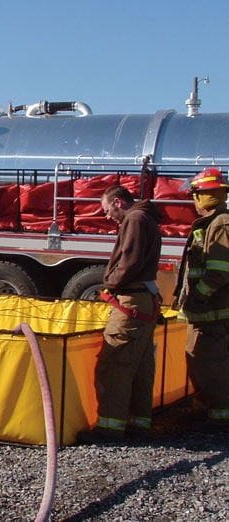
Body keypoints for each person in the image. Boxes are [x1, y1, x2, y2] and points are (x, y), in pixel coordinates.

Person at [77, 184, 162, 444]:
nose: (107, 217)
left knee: (114, 364)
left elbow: (129, 261)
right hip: (143, 301)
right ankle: (138, 424)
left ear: (117, 202)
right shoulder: (146, 217)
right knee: (140, 366)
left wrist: (110, 283)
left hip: (131, 302)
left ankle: (109, 429)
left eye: (106, 210)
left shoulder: (134, 219)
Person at [173, 167, 229, 430]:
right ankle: (204, 408)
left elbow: (219, 272)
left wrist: (198, 299)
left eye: (194, 195)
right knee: (202, 362)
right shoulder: (212, 223)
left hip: (212, 313)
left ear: (203, 195)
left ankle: (219, 418)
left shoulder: (221, 224)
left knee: (210, 364)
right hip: (207, 312)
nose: (193, 201)